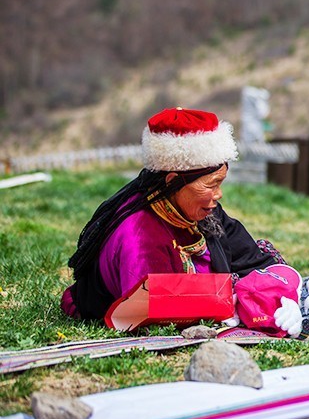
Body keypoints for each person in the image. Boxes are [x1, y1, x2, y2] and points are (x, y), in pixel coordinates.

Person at [62, 107, 282, 321]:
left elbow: (255, 260)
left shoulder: (203, 211)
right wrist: (242, 297)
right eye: (211, 185)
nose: (219, 194)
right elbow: (153, 311)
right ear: (172, 181)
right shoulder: (140, 236)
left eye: (220, 183)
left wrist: (275, 285)